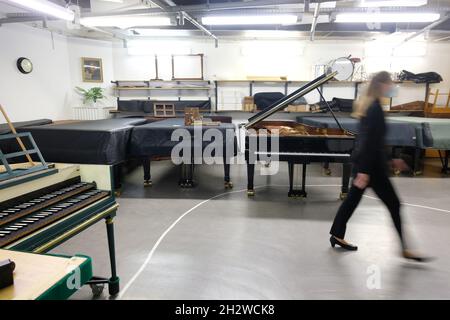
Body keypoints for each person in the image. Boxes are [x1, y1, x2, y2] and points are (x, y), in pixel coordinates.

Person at [329, 71, 430, 262]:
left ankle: (337, 234)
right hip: (371, 169)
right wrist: (365, 172)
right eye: (390, 83)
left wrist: (390, 161)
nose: (392, 86)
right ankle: (405, 249)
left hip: (368, 165)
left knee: (352, 201)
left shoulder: (370, 105)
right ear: (382, 85)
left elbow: (373, 141)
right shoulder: (374, 108)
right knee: (393, 204)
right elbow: (369, 141)